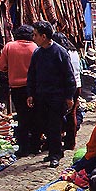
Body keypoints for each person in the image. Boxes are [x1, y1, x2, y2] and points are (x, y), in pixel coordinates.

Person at [26, 20, 76, 168]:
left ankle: (55, 154)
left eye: (35, 35)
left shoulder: (60, 52)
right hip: (41, 96)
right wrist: (30, 94)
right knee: (45, 125)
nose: (33, 38)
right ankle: (55, 151)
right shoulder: (37, 53)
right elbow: (32, 75)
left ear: (43, 36)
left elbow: (69, 76)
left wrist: (69, 97)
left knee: (54, 126)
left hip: (56, 96)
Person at [0, 25, 38, 157]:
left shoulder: (9, 46)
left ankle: (23, 148)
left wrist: (12, 67)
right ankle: (35, 146)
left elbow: (1, 66)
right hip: (33, 88)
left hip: (16, 89)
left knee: (22, 117)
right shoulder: (35, 48)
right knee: (34, 116)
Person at [55, 32, 82, 152]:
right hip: (77, 85)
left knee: (60, 114)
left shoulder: (61, 53)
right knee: (72, 114)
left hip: (66, 86)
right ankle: (71, 141)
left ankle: (61, 138)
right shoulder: (74, 52)